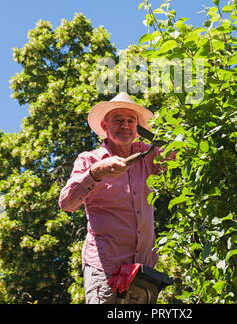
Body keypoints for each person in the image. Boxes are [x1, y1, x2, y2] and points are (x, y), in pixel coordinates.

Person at [58, 92, 166, 304]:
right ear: (104, 126)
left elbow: (181, 152)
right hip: (105, 268)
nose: (124, 125)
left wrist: (152, 134)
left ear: (138, 128)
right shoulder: (89, 159)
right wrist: (95, 173)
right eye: (118, 120)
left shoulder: (147, 154)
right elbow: (67, 203)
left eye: (130, 121)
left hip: (143, 272)